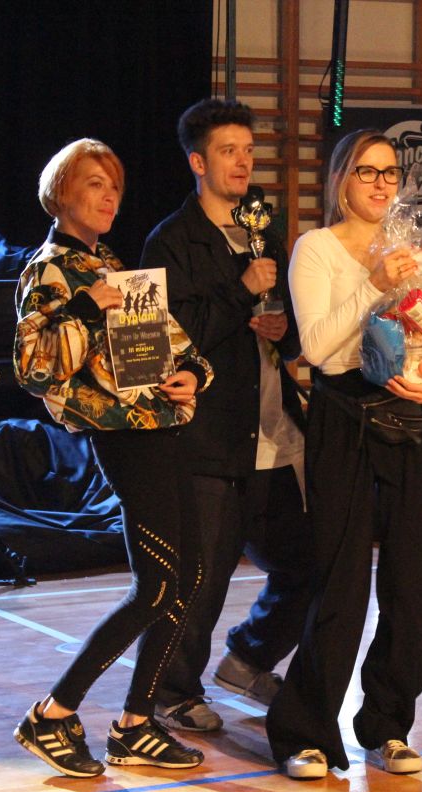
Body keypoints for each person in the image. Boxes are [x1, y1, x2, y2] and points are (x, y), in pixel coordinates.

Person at [11, 138, 213, 778]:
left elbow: (173, 345)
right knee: (156, 586)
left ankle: (135, 724)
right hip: (123, 437)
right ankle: (52, 713)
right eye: (94, 184)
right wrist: (82, 307)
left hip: (161, 427)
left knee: (187, 579)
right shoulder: (50, 270)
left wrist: (192, 373)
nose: (108, 198)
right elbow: (32, 367)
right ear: (62, 193)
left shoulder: (113, 266)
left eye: (115, 187)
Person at [264, 129, 422, 781]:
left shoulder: (415, 250)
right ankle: (304, 732)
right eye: (366, 171)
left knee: (412, 587)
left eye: (389, 172)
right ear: (341, 181)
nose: (380, 183)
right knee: (340, 584)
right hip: (344, 419)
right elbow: (318, 349)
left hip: (415, 420)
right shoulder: (316, 248)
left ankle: (388, 725)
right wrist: (374, 284)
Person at [139, 98, 311, 733]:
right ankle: (170, 692)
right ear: (198, 163)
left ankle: (249, 658)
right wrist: (240, 293)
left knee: (309, 561)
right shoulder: (170, 241)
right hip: (210, 438)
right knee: (201, 576)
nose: (243, 162)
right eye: (227, 151)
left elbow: (292, 333)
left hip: (274, 431)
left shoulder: (262, 230)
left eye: (248, 150)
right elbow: (168, 340)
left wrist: (285, 330)